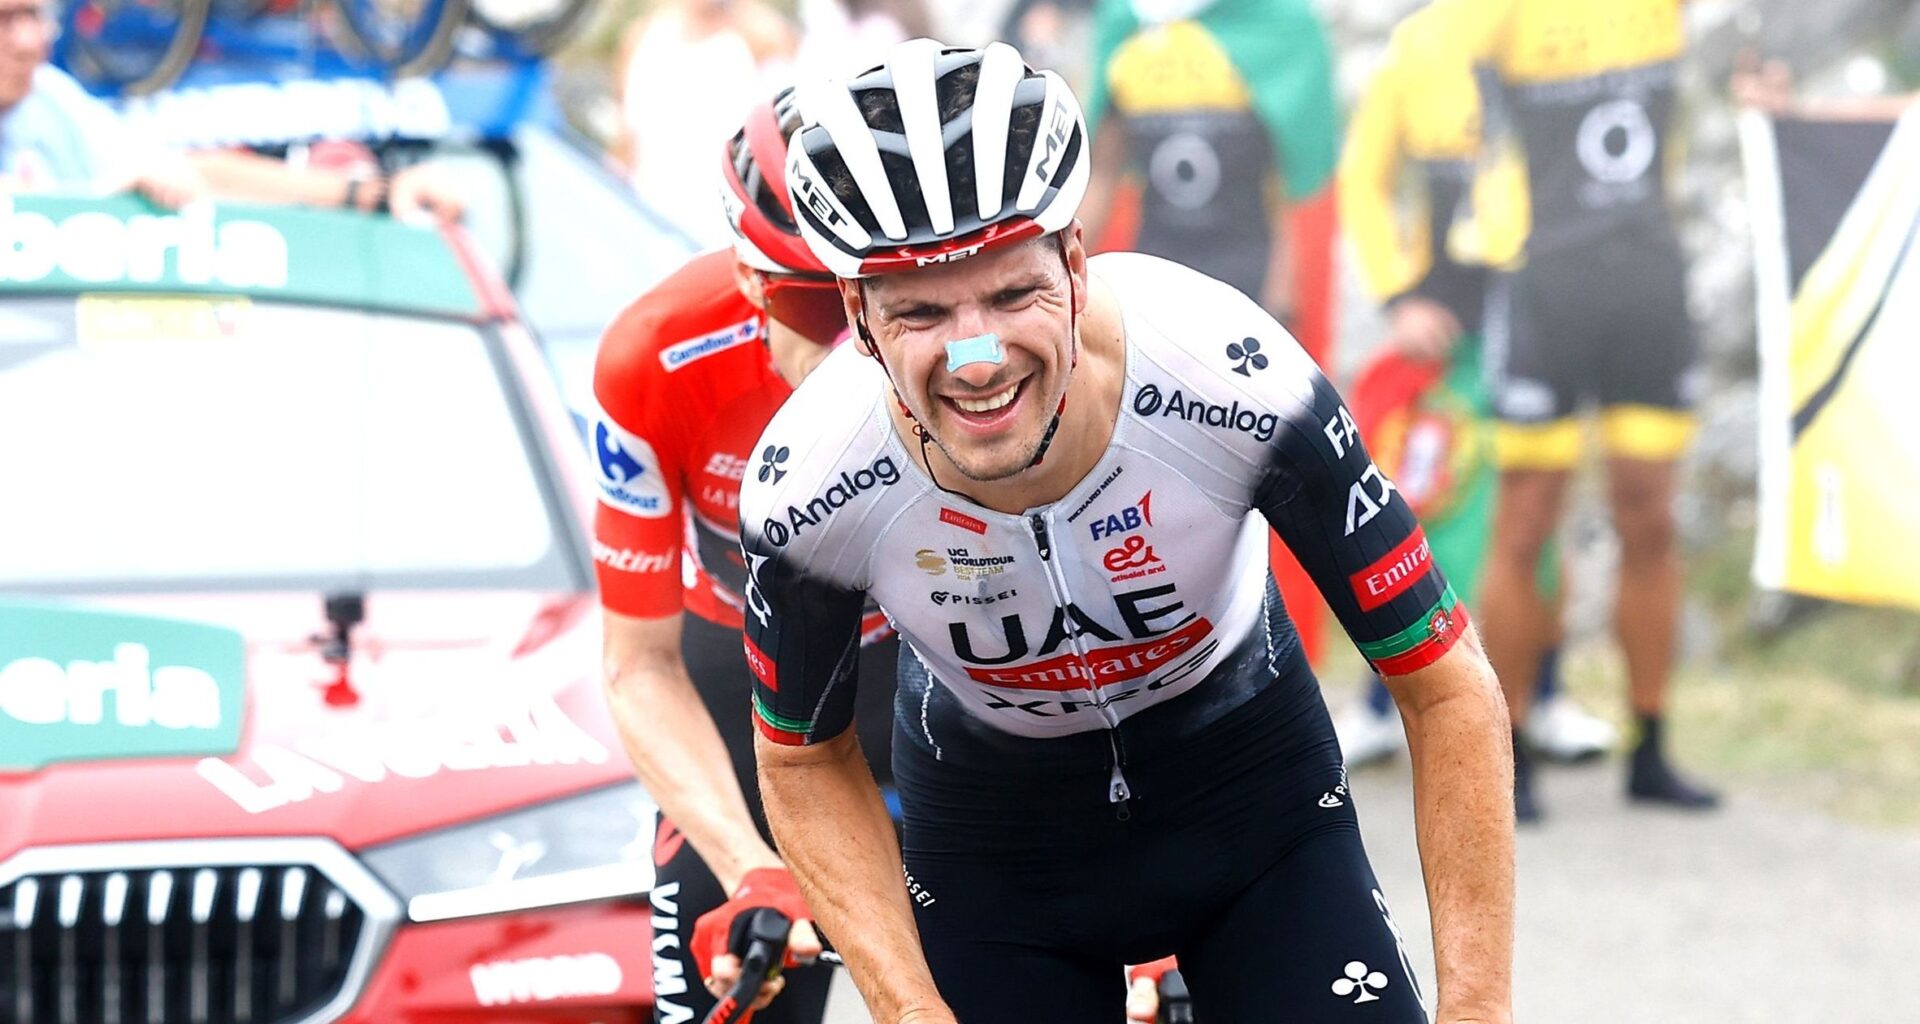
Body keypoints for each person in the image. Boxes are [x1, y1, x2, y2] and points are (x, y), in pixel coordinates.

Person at [711, 40, 1514, 1024]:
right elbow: (801, 758)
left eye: (1013, 295)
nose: (975, 359)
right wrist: (911, 1010)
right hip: (995, 854)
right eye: (920, 312)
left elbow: (1445, 685)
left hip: (1254, 804)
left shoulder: (1232, 375)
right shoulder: (811, 484)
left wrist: (1480, 1011)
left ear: (1077, 264)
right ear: (858, 316)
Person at [590, 87, 898, 1024]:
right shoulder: (656, 357)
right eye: (819, 302)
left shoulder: (958, 343)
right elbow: (638, 666)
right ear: (755, 279)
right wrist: (749, 867)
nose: (858, 340)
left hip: (928, 692)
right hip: (745, 696)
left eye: (880, 297)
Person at [1437, 0, 1718, 817]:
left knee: (1650, 516)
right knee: (1526, 522)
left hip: (1647, 281)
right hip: (1546, 282)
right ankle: (1510, 749)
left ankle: (1651, 747)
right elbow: (1442, 50)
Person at [1332, 0, 1617, 778]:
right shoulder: (1418, 44)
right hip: (1447, 319)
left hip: (1545, 305)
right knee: (1423, 502)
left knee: (1539, 502)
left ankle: (1543, 693)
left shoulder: (1564, 27)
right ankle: (1381, 703)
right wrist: (1398, 295)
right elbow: (1363, 180)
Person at [0, 0, 461, 217]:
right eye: (4, 19)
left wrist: (371, 193)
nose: (26, 42)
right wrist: (102, 194)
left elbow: (184, 173)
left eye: (33, 17)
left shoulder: (47, 97)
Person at [1078, 0, 1339, 323]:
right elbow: (1102, 172)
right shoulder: (1126, 21)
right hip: (1155, 276)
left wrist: (1282, 301)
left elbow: (1297, 177)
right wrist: (1060, 271)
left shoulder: (1281, 24)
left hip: (1249, 276)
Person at [614, 0, 795, 248]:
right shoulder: (645, 34)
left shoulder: (764, 41)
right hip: (639, 226)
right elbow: (625, 143)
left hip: (715, 242)